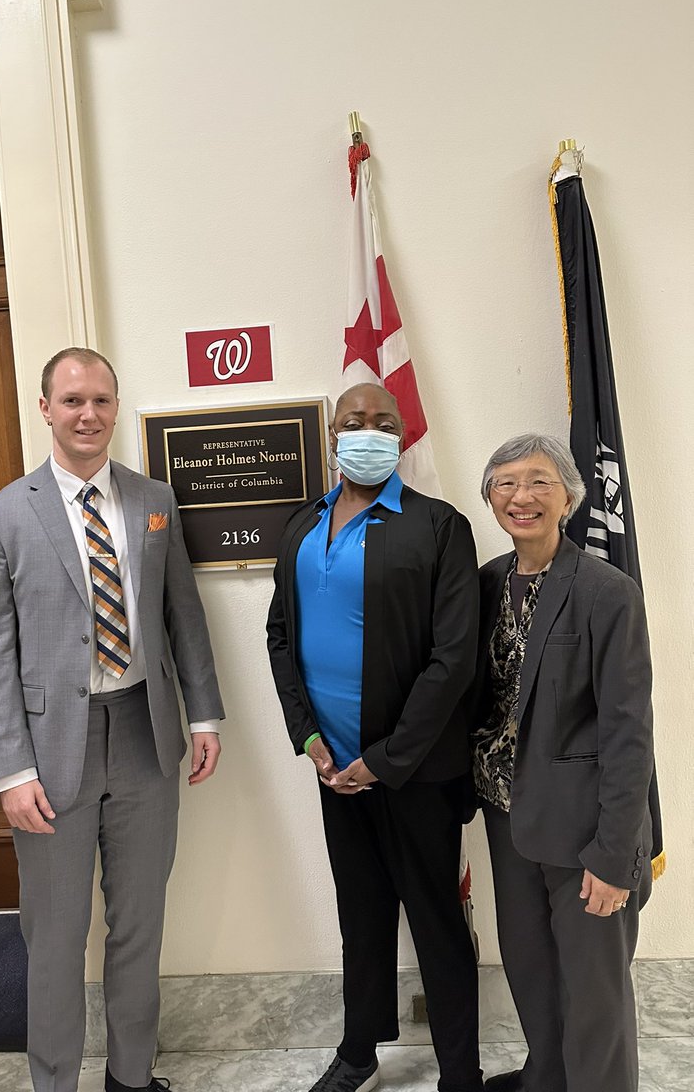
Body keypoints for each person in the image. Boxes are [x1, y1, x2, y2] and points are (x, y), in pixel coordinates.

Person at [0, 347, 224, 1092]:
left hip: (146, 738)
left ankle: (131, 1078)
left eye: (102, 401)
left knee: (139, 929)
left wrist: (203, 716)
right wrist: (9, 770)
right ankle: (55, 1084)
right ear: (45, 409)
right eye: (73, 400)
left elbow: (184, 619)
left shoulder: (154, 500)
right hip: (48, 759)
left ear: (116, 408)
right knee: (54, 938)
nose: (89, 415)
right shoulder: (0, 515)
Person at [266, 382, 483, 1092]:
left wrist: (383, 761)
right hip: (333, 771)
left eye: (382, 423)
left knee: (435, 924)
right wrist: (309, 739)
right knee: (359, 919)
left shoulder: (440, 526)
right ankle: (359, 1051)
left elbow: (454, 659)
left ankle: (460, 1072)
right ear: (332, 435)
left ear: (401, 436)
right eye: (353, 422)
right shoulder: (301, 524)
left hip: (413, 773)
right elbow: (279, 636)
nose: (368, 432)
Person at [472, 434, 657, 1092]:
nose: (522, 496)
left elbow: (629, 734)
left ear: (570, 497)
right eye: (506, 483)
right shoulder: (486, 583)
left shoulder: (608, 592)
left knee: (595, 1000)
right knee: (532, 978)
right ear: (490, 497)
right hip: (508, 820)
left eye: (539, 481)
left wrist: (613, 857)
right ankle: (545, 1081)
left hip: (585, 836)